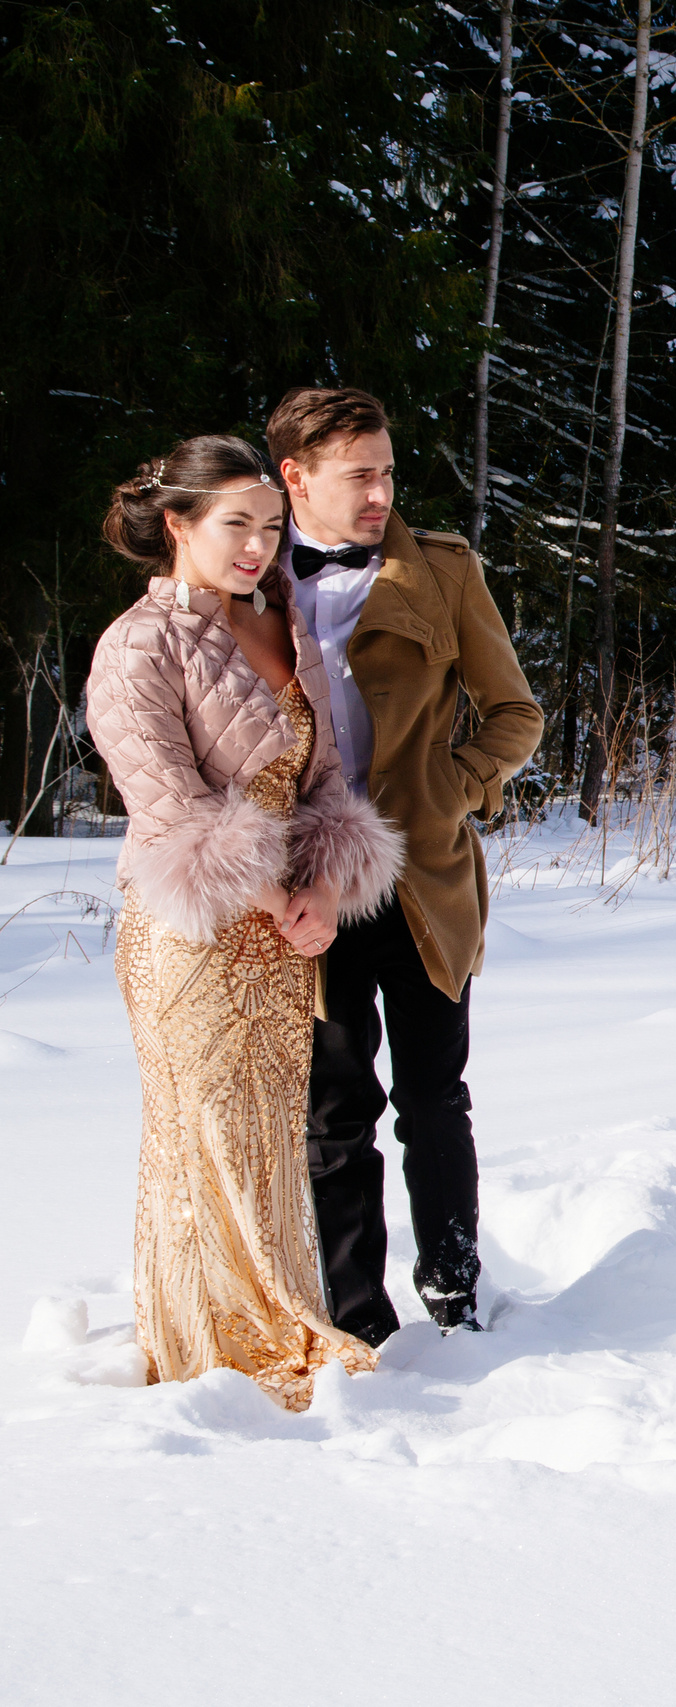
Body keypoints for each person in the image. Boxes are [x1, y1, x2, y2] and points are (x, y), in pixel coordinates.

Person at [88, 435, 405, 1410]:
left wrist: (322, 889)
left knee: (268, 1135)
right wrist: (273, 895)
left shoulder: (284, 626)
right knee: (201, 1134)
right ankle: (203, 1348)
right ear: (177, 524)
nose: (258, 548)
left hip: (277, 941)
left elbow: (319, 781)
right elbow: (166, 803)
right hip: (189, 934)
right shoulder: (137, 644)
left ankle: (273, 1319)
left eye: (271, 528)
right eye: (237, 526)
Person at [266, 387, 542, 1342]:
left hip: (423, 879)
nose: (382, 491)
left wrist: (453, 790)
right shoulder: (253, 580)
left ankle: (455, 1292)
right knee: (334, 1108)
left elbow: (517, 713)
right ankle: (356, 1318)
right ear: (295, 477)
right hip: (305, 890)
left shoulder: (443, 572)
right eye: (359, 475)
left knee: (434, 1098)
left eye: (388, 470)